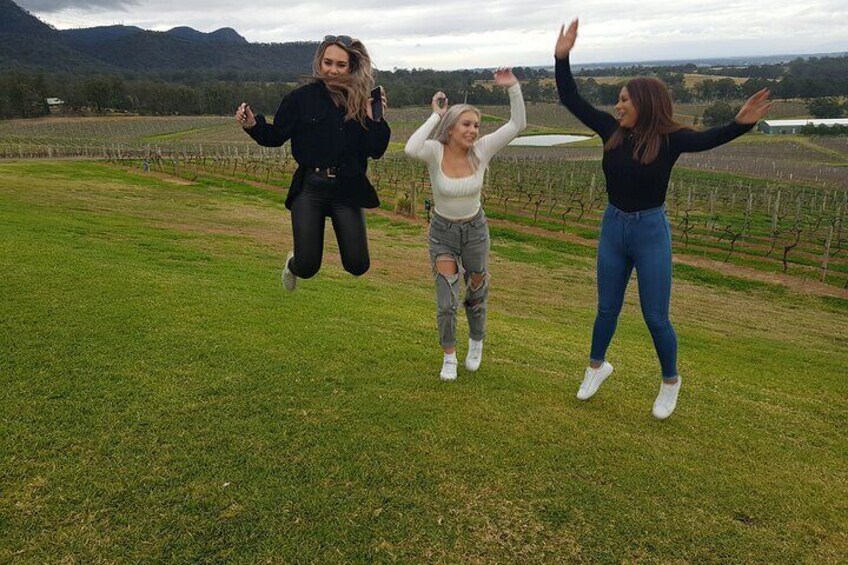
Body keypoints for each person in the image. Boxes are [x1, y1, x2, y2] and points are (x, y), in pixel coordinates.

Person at [554, 20, 772, 419]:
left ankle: (670, 381)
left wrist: (742, 123)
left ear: (645, 102)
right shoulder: (609, 130)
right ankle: (596, 368)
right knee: (607, 309)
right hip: (614, 227)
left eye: (624, 100)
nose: (617, 105)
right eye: (617, 100)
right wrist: (562, 57)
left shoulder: (671, 139)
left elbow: (711, 138)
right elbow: (570, 98)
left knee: (655, 316)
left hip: (651, 231)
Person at [235, 35, 390, 291]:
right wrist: (252, 125)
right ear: (319, 62)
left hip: (347, 189)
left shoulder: (363, 101)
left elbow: (376, 150)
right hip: (311, 189)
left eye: (341, 65)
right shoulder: (300, 99)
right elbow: (276, 136)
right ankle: (293, 264)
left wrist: (375, 119)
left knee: (358, 265)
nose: (333, 70)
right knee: (307, 267)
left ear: (351, 67)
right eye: (328, 62)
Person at [405, 68, 526, 381]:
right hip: (442, 232)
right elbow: (410, 148)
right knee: (446, 300)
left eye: (476, 125)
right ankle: (449, 355)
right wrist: (435, 115)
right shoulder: (435, 151)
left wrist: (513, 87)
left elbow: (517, 124)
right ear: (452, 127)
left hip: (474, 230)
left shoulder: (482, 150)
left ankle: (476, 341)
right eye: (467, 124)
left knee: (476, 291)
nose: (473, 130)